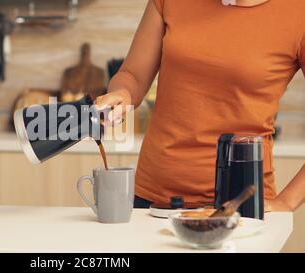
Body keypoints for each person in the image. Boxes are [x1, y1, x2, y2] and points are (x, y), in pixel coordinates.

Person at [95, 0, 305, 211]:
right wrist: (123, 93)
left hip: (241, 205)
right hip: (153, 199)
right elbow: (133, 75)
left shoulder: (297, 12)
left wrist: (287, 202)